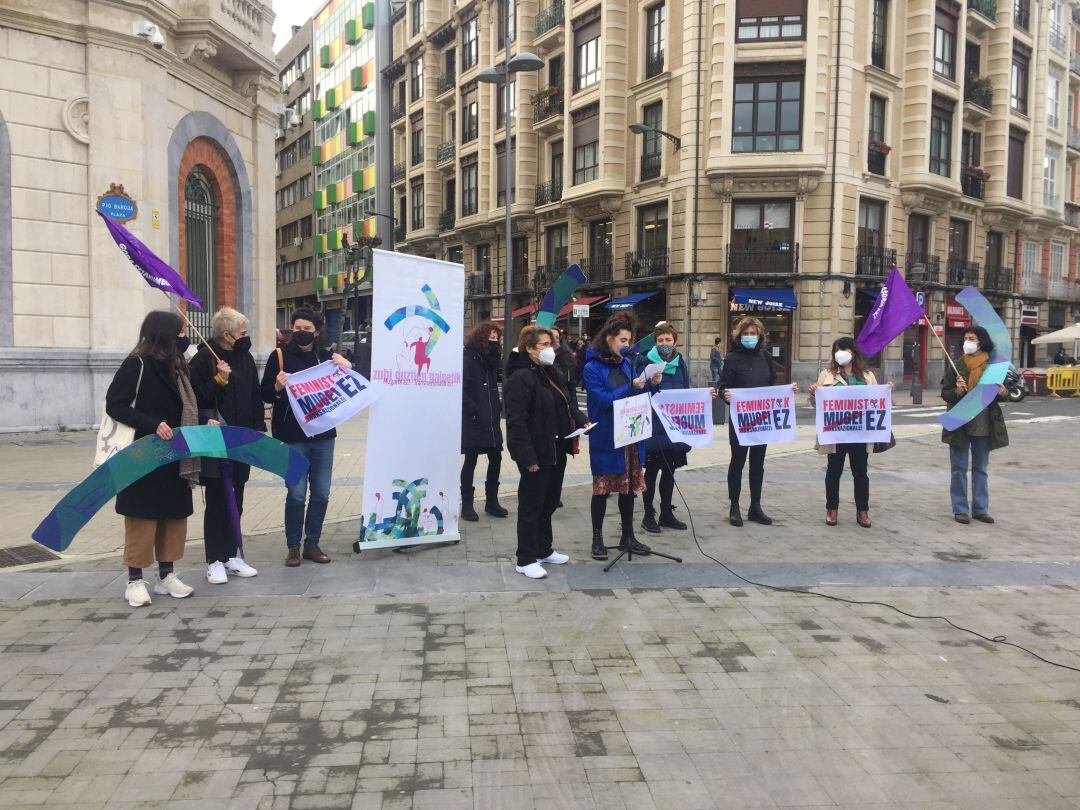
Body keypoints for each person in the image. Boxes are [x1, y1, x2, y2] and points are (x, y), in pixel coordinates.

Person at [105, 311, 199, 607]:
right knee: (142, 518)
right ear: (165, 334)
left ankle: (166, 576)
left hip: (176, 455)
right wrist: (151, 423)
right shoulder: (137, 363)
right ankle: (134, 581)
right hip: (143, 455)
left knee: (174, 516)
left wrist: (205, 421)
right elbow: (115, 405)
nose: (185, 336)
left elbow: (189, 407)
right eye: (180, 332)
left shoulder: (179, 365)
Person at [261, 307, 352, 566]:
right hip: (293, 436)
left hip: (323, 436)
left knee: (321, 493)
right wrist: (277, 387)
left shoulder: (325, 358)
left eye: (307, 330)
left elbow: (348, 387)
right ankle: (293, 546)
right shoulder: (278, 356)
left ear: (317, 332)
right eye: (297, 329)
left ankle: (312, 543)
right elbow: (265, 394)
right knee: (297, 494)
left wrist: (348, 367)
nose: (301, 333)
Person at [503, 326, 589, 578]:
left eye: (550, 344)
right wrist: (527, 457)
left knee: (549, 502)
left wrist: (580, 418)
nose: (549, 349)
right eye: (543, 345)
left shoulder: (546, 371)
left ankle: (543, 548)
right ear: (529, 348)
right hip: (536, 452)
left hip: (555, 448)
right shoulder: (521, 377)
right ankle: (525, 557)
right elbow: (516, 422)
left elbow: (566, 401)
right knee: (531, 505)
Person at [189, 307, 264, 584]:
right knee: (219, 500)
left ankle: (231, 555)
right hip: (215, 441)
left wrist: (257, 429)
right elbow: (193, 401)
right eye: (242, 333)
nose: (246, 338)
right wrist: (218, 380)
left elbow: (255, 395)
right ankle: (214, 560)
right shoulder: (202, 360)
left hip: (241, 439)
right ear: (226, 335)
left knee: (238, 498)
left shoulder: (245, 358)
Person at [582, 314, 664, 561]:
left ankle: (627, 535)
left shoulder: (627, 364)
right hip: (607, 437)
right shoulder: (592, 367)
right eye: (622, 339)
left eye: (629, 339)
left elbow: (637, 394)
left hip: (631, 435)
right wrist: (633, 386)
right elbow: (604, 401)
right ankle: (597, 537)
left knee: (629, 489)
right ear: (608, 339)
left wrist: (651, 384)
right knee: (602, 489)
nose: (626, 344)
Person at [719, 316, 797, 527]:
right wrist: (724, 395)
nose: (749, 337)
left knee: (758, 464)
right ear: (739, 335)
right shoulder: (732, 359)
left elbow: (772, 384)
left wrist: (787, 391)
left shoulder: (765, 356)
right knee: (738, 462)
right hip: (741, 421)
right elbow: (722, 387)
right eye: (746, 333)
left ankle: (755, 506)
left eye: (753, 334)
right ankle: (734, 506)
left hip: (761, 420)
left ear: (760, 336)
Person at [808, 337, 892, 528]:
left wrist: (887, 392)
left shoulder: (867, 375)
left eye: (844, 349)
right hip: (836, 434)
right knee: (833, 472)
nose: (840, 353)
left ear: (854, 353)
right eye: (837, 349)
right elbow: (817, 405)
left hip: (860, 434)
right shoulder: (827, 375)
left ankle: (863, 511)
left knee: (860, 472)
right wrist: (814, 393)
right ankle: (832, 509)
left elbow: (879, 402)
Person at [641, 324, 717, 533]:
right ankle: (648, 514)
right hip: (655, 425)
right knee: (652, 471)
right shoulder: (645, 362)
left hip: (675, 426)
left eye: (668, 340)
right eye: (660, 341)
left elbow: (685, 389)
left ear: (674, 341)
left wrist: (702, 397)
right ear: (655, 343)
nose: (664, 344)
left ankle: (666, 512)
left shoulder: (680, 362)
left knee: (669, 471)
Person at [942, 325, 1009, 524]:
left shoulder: (993, 365)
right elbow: (946, 393)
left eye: (971, 338)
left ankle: (980, 509)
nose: (967, 342)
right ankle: (960, 509)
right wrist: (957, 392)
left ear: (981, 341)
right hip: (960, 421)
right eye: (965, 338)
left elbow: (1001, 393)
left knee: (980, 468)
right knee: (959, 468)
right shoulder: (957, 364)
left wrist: (1003, 393)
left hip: (984, 422)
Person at [460, 321, 508, 521]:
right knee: (471, 459)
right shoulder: (469, 358)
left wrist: (495, 408)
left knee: (496, 457)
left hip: (491, 418)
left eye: (497, 338)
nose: (495, 341)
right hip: (475, 418)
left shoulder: (490, 360)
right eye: (491, 337)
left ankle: (492, 501)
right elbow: (461, 389)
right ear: (481, 337)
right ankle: (467, 504)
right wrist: (474, 410)